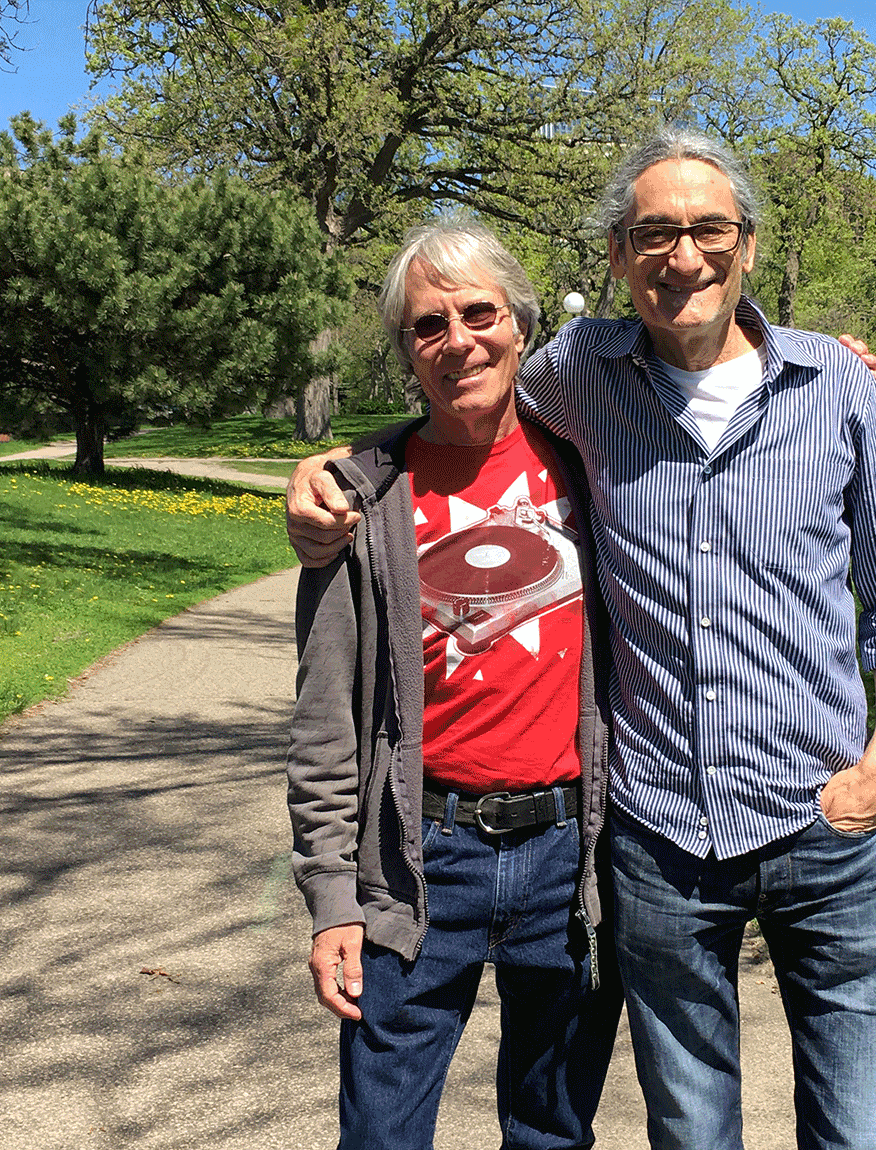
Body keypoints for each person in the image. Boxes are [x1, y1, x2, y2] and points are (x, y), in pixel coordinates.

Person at [289, 127, 876, 1150]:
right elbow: (456, 411)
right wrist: (329, 473)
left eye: (708, 229)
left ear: (748, 243)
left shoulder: (811, 388)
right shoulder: (544, 400)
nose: (683, 255)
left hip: (714, 838)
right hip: (577, 844)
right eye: (653, 234)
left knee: (824, 1132)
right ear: (617, 255)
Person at [286, 219, 621, 1150]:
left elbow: (703, 376)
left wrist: (814, 365)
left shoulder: (595, 462)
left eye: (479, 314)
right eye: (428, 325)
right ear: (406, 350)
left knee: (552, 1134)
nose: (458, 341)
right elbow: (323, 719)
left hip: (571, 858)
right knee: (381, 1135)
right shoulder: (359, 499)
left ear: (521, 325)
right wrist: (331, 898)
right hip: (418, 862)